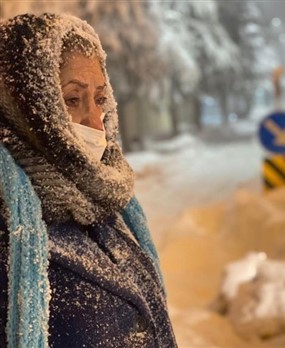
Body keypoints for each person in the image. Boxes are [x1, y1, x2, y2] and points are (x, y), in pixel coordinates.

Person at [0, 13, 177, 347]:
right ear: (26, 108)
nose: (96, 123)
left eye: (99, 99)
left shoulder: (105, 211)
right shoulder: (11, 233)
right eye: (71, 99)